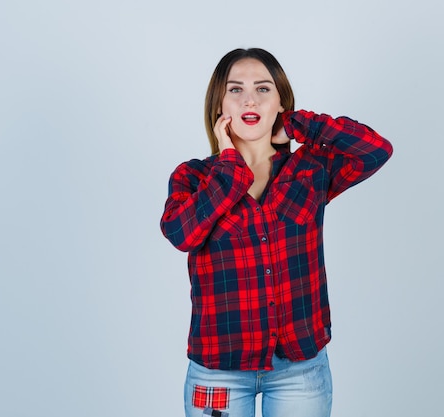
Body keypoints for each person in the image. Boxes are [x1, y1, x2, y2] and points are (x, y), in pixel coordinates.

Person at [160, 48, 393, 417]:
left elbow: (375, 151)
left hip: (299, 368)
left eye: (263, 89)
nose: (249, 98)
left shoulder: (310, 170)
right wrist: (229, 167)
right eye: (235, 89)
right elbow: (181, 234)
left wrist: (300, 125)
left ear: (279, 100)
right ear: (220, 104)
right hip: (219, 372)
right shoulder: (194, 177)